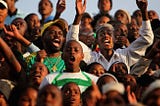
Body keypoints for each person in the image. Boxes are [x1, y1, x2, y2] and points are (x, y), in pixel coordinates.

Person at [67, 0, 154, 73]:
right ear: (96, 40)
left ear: (115, 39)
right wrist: (78, 17)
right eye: (101, 34)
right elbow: (71, 42)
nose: (106, 36)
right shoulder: (90, 57)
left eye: (109, 33)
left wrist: (144, 12)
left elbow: (147, 39)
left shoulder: (124, 55)